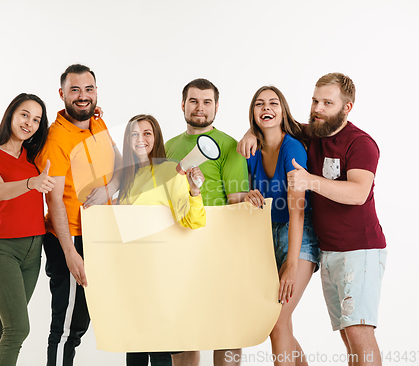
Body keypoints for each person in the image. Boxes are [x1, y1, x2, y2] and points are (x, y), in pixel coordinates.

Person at [238, 73, 387, 366]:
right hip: (328, 248)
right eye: (315, 100)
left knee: (359, 334)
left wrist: (309, 181)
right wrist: (249, 132)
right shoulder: (313, 133)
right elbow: (274, 125)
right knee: (347, 336)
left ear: (347, 108)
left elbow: (358, 193)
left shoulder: (360, 143)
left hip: (359, 249)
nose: (318, 108)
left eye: (327, 103)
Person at [34, 64, 122, 366]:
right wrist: (69, 252)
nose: (83, 96)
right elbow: (53, 199)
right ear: (62, 94)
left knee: (83, 322)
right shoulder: (56, 139)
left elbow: (118, 159)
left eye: (89, 89)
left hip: (101, 234)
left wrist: (113, 186)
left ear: (96, 92)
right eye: (75, 90)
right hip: (71, 237)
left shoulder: (97, 122)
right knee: (67, 325)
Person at [165, 78, 249, 366]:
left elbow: (237, 202)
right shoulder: (169, 145)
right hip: (178, 248)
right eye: (193, 101)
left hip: (219, 249)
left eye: (207, 102)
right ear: (183, 104)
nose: (200, 108)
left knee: (226, 330)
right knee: (183, 331)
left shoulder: (229, 146)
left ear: (216, 107)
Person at [0, 93, 55, 366]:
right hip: (2, 250)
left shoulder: (34, 157)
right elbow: (1, 190)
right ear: (10, 115)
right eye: (25, 115)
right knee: (18, 329)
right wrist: (33, 183)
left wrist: (94, 117)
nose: (30, 123)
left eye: (37, 119)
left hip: (33, 252)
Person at [118, 114, 206, 366]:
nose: (140, 139)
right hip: (133, 274)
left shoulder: (170, 169)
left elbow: (193, 221)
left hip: (161, 274)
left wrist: (195, 191)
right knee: (134, 345)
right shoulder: (125, 177)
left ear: (156, 138)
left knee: (159, 348)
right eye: (134, 133)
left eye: (147, 133)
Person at [243, 86, 319, 366]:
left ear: (283, 111)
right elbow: (240, 195)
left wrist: (291, 264)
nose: (266, 108)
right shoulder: (251, 150)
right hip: (266, 236)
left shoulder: (293, 148)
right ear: (253, 113)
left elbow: (297, 212)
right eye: (259, 104)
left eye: (273, 103)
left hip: (299, 235)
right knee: (280, 323)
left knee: (277, 320)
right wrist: (247, 196)